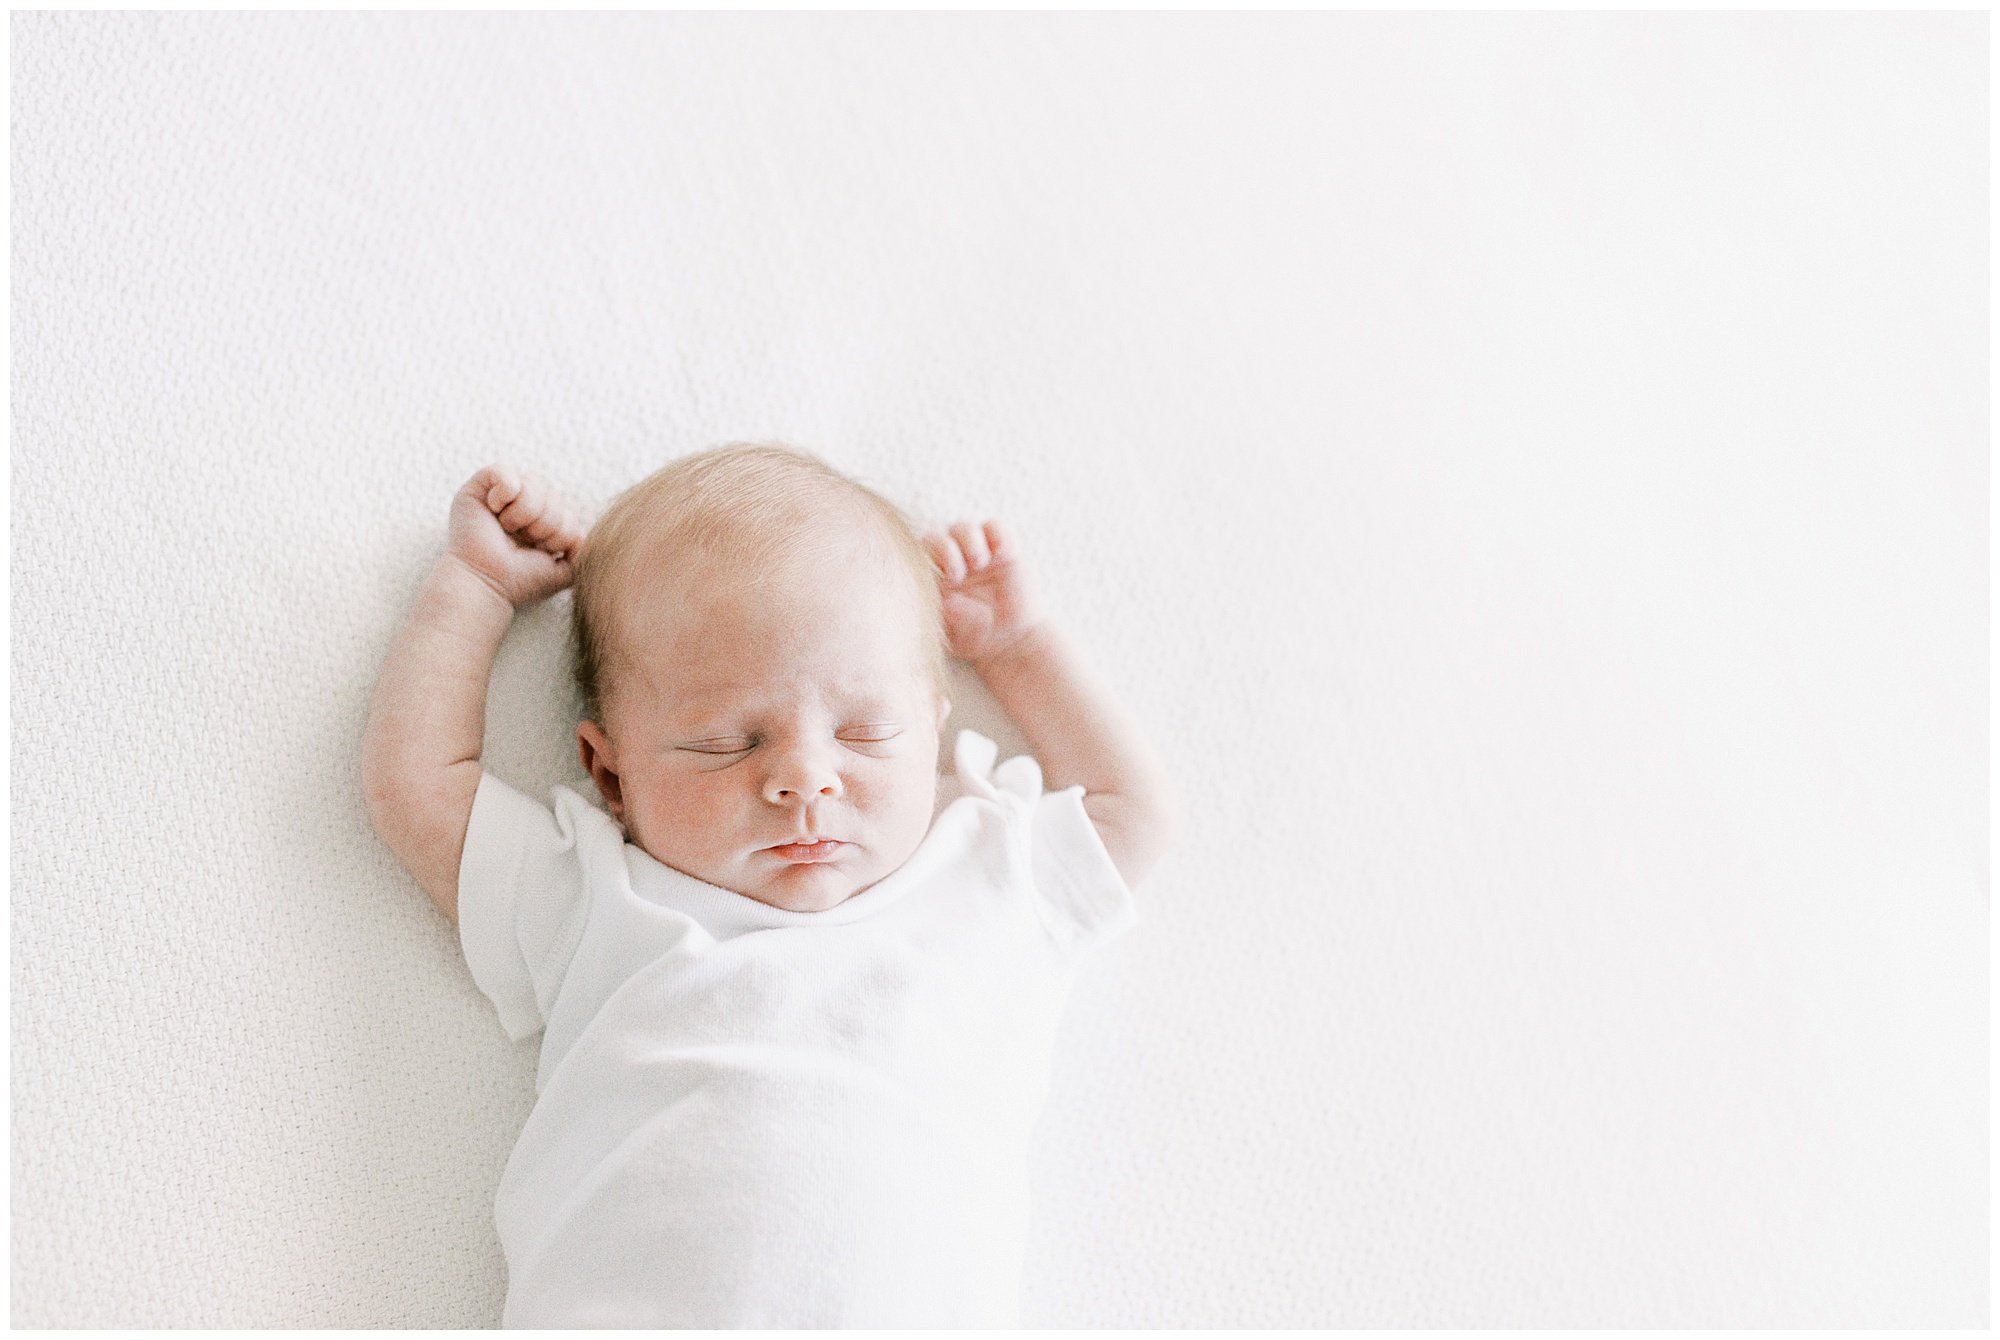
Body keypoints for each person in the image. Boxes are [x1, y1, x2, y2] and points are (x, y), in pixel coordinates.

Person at [361, 443, 1177, 1326]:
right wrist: (474, 592)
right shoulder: (599, 897)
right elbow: (420, 784)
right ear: (611, 777)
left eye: (865, 733)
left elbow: (1131, 813)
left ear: (934, 738)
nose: (805, 779)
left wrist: (1020, 650)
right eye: (726, 743)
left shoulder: (987, 875)